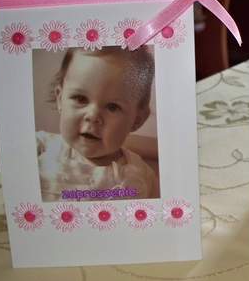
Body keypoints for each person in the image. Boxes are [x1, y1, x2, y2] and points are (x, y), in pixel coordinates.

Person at [36, 46, 158, 202]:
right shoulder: (40, 147)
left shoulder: (142, 175)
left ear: (136, 120)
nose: (93, 116)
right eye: (80, 99)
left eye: (112, 107)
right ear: (60, 99)